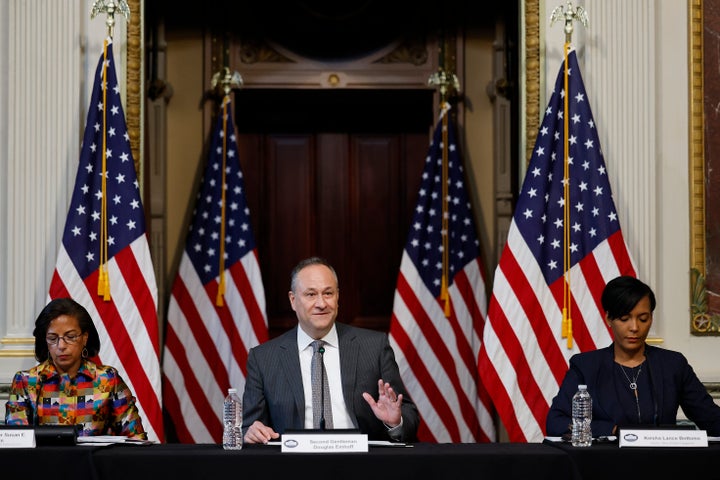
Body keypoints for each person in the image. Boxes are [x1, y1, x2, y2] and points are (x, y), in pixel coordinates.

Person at [242, 256, 420, 444]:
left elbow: (408, 415)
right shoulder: (263, 358)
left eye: (328, 293)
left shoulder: (374, 347)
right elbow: (250, 426)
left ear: (337, 297)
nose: (321, 303)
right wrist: (252, 431)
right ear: (293, 300)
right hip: (294, 467)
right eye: (311, 294)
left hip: (361, 465)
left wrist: (394, 423)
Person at [546, 275, 720, 437]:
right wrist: (612, 430)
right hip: (605, 465)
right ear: (608, 319)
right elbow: (555, 423)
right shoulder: (586, 366)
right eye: (624, 318)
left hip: (663, 464)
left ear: (651, 318)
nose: (634, 327)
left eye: (643, 319)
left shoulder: (672, 364)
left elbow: (711, 419)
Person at [4, 297, 147, 439]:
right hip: (44, 461)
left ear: (84, 338)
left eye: (70, 337)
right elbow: (15, 442)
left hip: (93, 461)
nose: (61, 346)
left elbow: (135, 439)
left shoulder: (107, 379)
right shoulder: (26, 381)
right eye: (53, 338)